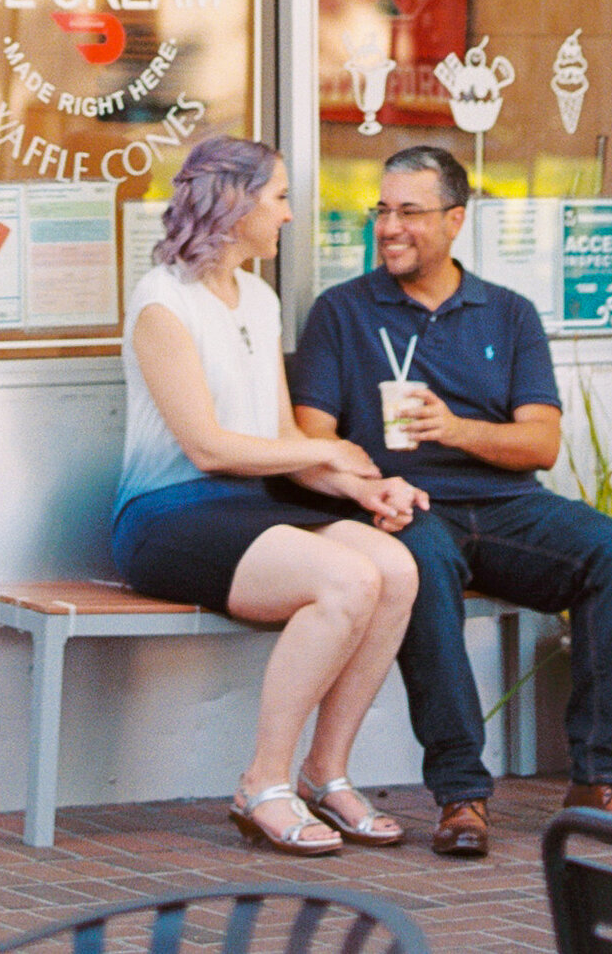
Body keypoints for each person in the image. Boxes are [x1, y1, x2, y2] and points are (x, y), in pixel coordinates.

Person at [290, 143, 612, 860]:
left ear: (455, 220)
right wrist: (370, 484)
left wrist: (452, 427)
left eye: (409, 212)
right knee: (419, 566)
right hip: (405, 507)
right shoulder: (343, 312)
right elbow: (309, 437)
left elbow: (540, 442)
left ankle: (601, 778)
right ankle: (461, 794)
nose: (389, 227)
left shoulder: (506, 314)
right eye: (382, 210)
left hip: (508, 506)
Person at [114, 136, 427, 857]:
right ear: (234, 202)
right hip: (166, 516)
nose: (289, 215)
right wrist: (327, 448)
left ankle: (326, 772)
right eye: (280, 197)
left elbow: (279, 435)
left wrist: (365, 487)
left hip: (249, 510)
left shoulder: (257, 298)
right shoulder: (162, 301)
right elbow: (209, 447)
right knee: (346, 579)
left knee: (397, 569)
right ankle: (263, 781)